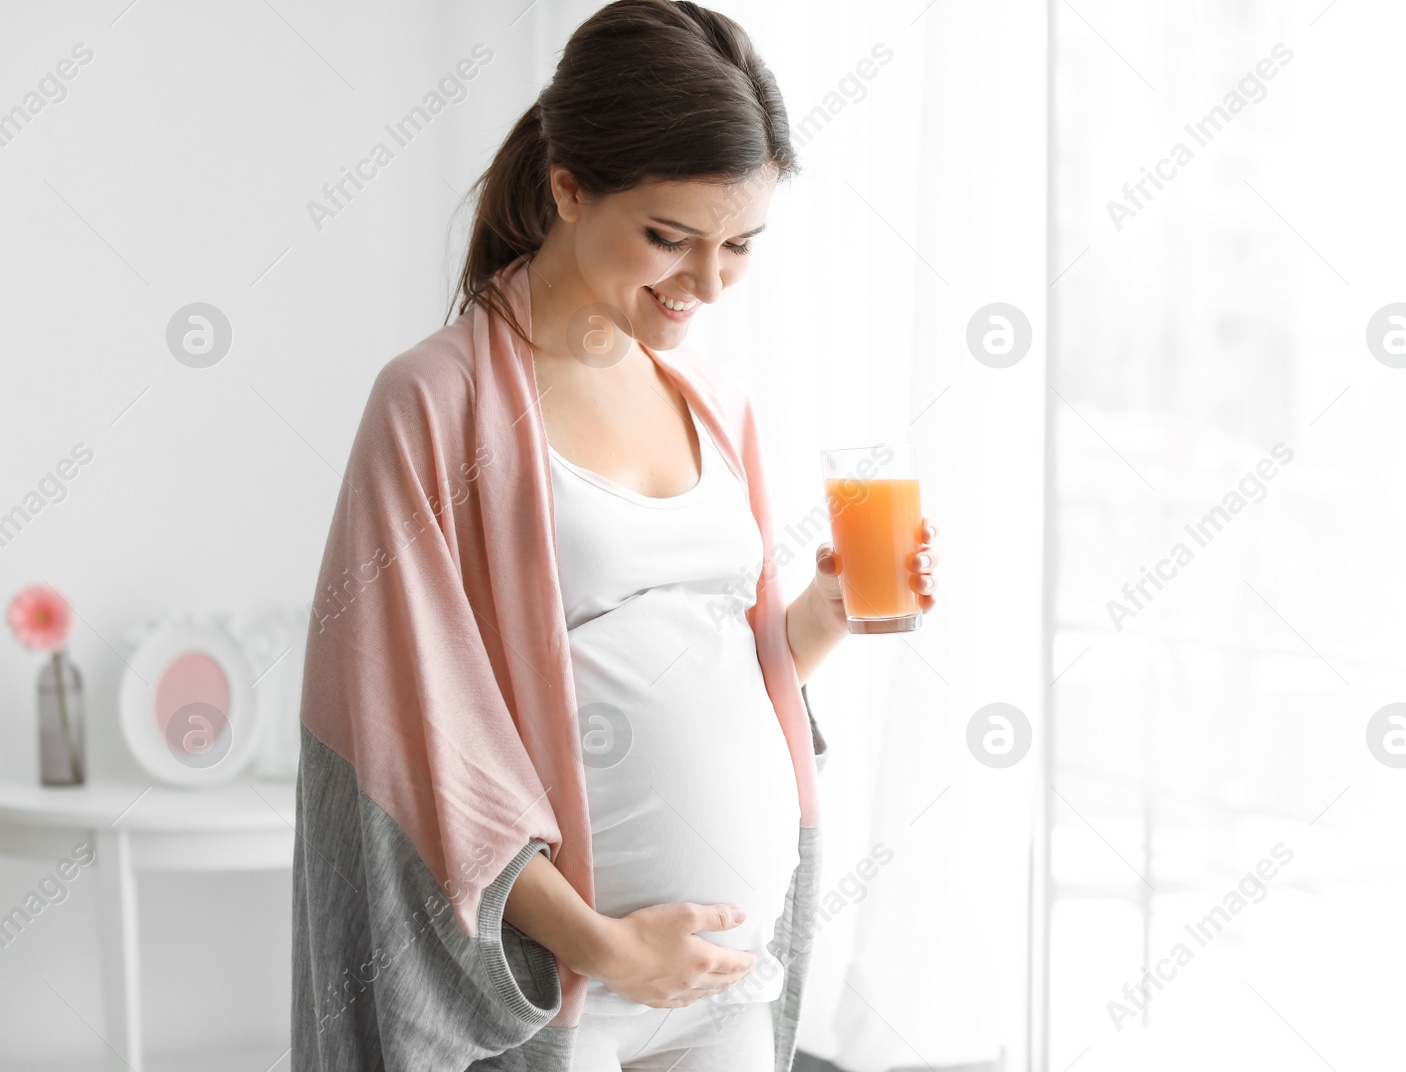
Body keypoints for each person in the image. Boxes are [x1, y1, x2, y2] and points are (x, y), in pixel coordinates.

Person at [291, 2, 937, 1069]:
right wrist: (601, 943)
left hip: (728, 971)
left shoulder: (715, 404)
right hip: (556, 985)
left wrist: (821, 616)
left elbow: (723, 663)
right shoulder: (432, 403)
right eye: (670, 240)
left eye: (741, 246)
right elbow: (412, 737)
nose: (707, 283)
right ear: (567, 189)